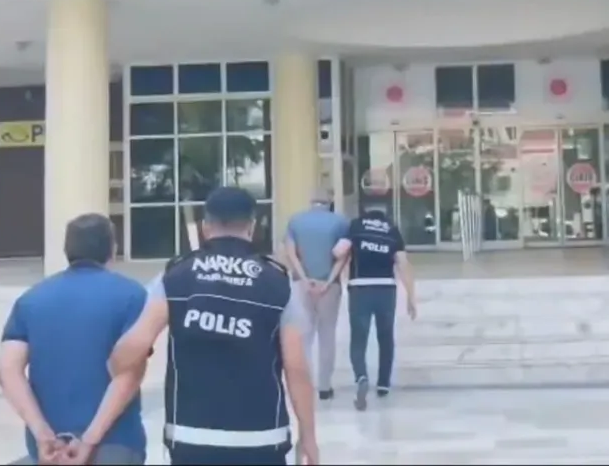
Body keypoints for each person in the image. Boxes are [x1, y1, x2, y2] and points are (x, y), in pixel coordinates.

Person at [109, 186, 319, 466]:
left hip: (191, 438)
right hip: (261, 439)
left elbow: (135, 346)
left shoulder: (175, 276)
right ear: (252, 227)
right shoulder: (278, 282)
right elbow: (297, 368)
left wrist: (115, 365)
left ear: (205, 227)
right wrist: (308, 435)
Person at [0, 213, 149, 465]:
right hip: (115, 445)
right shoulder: (132, 296)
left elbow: (7, 371)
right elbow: (130, 374)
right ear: (112, 249)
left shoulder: (31, 299)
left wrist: (42, 433)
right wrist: (89, 440)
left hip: (51, 450)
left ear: (67, 250)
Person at [332, 206, 417, 412]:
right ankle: (383, 384)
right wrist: (411, 296)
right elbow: (403, 263)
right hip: (386, 289)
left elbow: (339, 252)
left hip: (360, 288)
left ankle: (361, 376)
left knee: (359, 339)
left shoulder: (356, 227)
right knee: (385, 337)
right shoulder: (392, 230)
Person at [282, 189, 351, 401]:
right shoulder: (341, 222)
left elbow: (291, 253)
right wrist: (328, 281)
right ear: (329, 202)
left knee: (305, 336)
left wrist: (304, 279)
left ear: (311, 202)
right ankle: (324, 386)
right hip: (329, 286)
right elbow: (343, 256)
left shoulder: (295, 221)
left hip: (301, 285)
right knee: (327, 336)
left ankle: (306, 383)